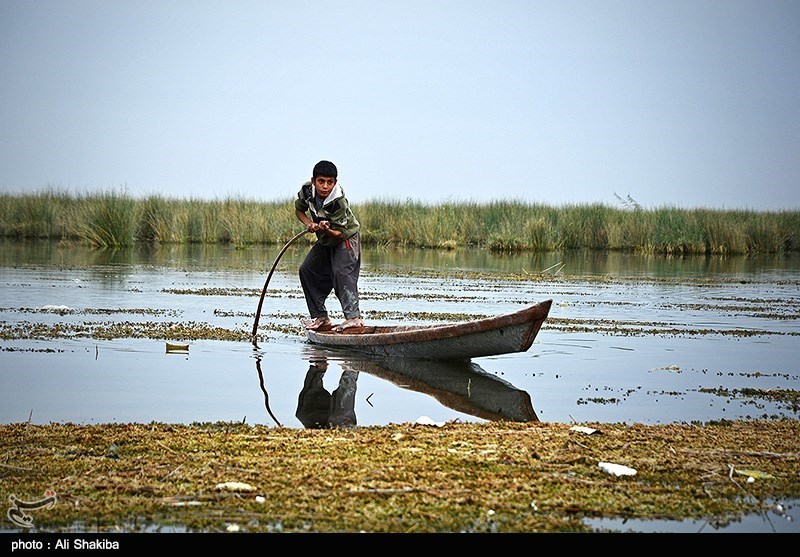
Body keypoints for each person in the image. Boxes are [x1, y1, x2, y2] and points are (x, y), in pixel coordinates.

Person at [295, 160, 364, 331]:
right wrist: (309, 223)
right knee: (307, 270)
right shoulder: (306, 191)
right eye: (321, 181)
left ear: (335, 182)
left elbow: (339, 233)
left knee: (341, 273)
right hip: (326, 240)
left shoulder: (337, 201)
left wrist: (326, 229)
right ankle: (321, 317)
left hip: (345, 238)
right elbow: (299, 210)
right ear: (313, 181)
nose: (325, 186)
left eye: (330, 182)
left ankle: (354, 318)